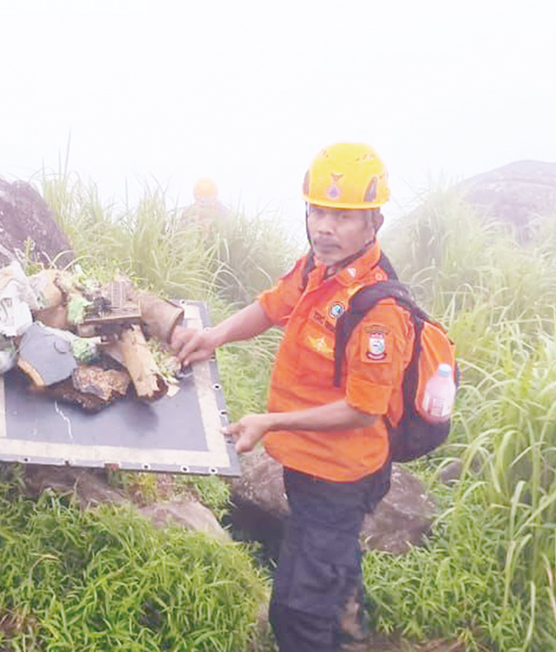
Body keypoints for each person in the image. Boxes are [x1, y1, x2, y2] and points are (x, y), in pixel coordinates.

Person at [173, 142, 411, 651]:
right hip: (311, 467)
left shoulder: (378, 312)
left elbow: (363, 407)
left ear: (374, 222)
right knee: (329, 574)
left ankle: (330, 631)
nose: (324, 226)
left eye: (341, 216)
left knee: (296, 615)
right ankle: (351, 630)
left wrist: (270, 423)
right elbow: (269, 307)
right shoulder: (316, 268)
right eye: (317, 210)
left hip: (341, 478)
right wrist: (213, 337)